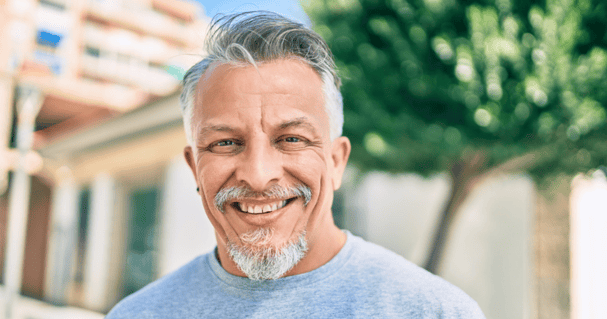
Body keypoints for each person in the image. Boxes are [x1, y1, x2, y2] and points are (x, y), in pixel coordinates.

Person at [106, 11, 485, 318]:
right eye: (225, 143)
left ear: (336, 162)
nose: (257, 175)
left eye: (291, 140)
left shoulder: (435, 312)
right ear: (194, 168)